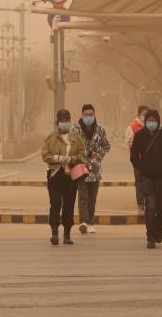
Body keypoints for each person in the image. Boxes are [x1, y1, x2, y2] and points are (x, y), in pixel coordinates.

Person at [130, 109, 162, 249]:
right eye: (149, 120)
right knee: (150, 207)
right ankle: (150, 237)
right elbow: (133, 156)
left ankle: (158, 230)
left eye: (154, 120)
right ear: (145, 122)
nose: (152, 123)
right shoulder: (139, 136)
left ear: (158, 121)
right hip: (148, 178)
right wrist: (142, 168)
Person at [41, 109, 86, 246]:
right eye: (62, 120)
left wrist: (72, 159)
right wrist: (57, 158)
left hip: (71, 177)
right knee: (55, 204)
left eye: (67, 120)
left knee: (69, 205)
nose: (65, 123)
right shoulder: (51, 138)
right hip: (55, 176)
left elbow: (82, 155)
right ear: (58, 122)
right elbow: (45, 155)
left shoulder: (76, 138)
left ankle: (67, 234)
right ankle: (54, 233)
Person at [73, 104, 111, 235]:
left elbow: (106, 146)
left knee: (92, 198)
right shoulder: (75, 130)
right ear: (82, 115)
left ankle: (90, 223)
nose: (88, 117)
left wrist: (98, 156)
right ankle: (84, 221)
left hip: (95, 169)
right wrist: (87, 153)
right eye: (86, 114)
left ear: (94, 115)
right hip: (80, 167)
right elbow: (71, 148)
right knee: (83, 196)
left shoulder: (100, 130)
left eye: (90, 114)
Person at [126, 105, 149, 215]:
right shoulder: (132, 127)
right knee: (139, 182)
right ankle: (140, 206)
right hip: (138, 160)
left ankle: (149, 205)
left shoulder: (151, 126)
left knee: (149, 182)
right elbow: (129, 142)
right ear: (139, 114)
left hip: (150, 160)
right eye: (143, 114)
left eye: (147, 115)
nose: (145, 117)